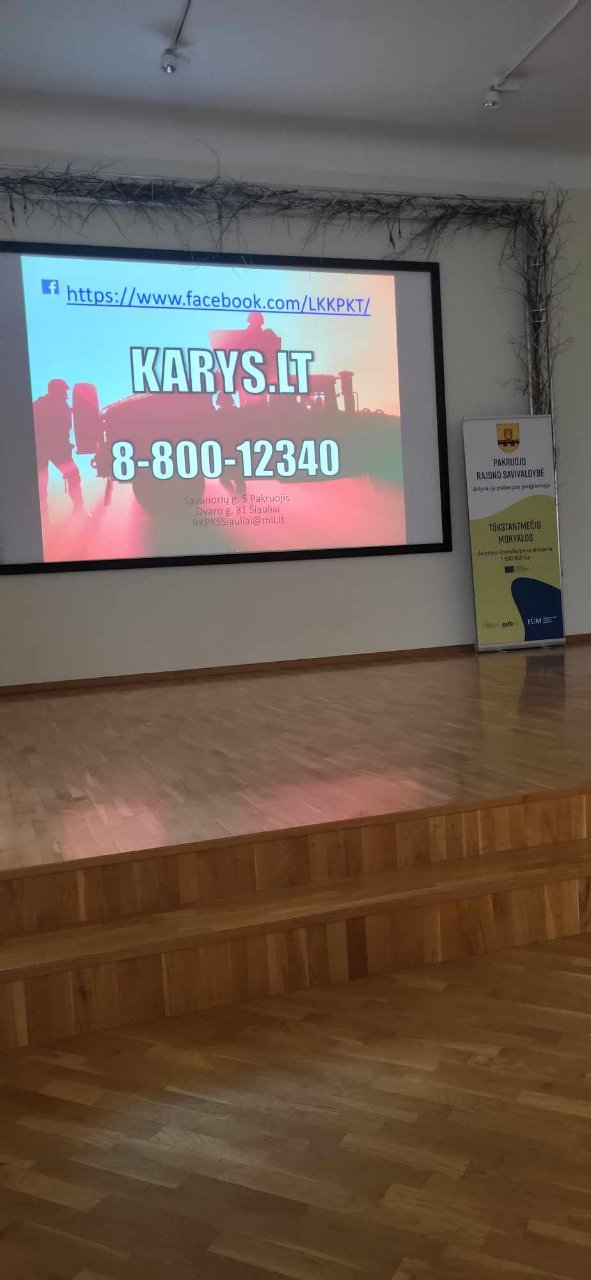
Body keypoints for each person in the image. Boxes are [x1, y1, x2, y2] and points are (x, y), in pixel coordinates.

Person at [33, 379, 84, 517]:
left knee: (73, 476)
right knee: (41, 483)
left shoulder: (62, 407)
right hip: (44, 449)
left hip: (57, 449)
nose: (65, 394)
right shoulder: (40, 406)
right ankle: (44, 517)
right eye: (63, 391)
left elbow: (65, 430)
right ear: (55, 391)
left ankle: (78, 510)